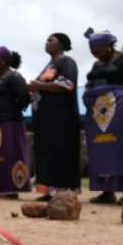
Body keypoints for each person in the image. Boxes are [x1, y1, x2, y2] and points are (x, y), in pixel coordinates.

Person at [82, 28, 123, 204]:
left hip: (121, 109)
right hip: (99, 112)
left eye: (99, 51)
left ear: (110, 46)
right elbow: (90, 82)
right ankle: (106, 191)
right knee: (102, 148)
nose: (96, 56)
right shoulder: (96, 65)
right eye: (93, 52)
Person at [29, 33, 81, 199]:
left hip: (62, 119)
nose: (46, 42)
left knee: (61, 152)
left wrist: (39, 85)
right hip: (46, 120)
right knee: (46, 154)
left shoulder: (66, 62)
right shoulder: (49, 65)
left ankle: (64, 191)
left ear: (62, 44)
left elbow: (68, 84)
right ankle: (49, 191)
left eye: (51, 40)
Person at [0, 47, 32, 199]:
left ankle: (12, 189)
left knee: (10, 156)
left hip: (9, 123)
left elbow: (24, 97)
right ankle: (1, 189)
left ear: (4, 61)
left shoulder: (14, 77)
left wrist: (11, 108)